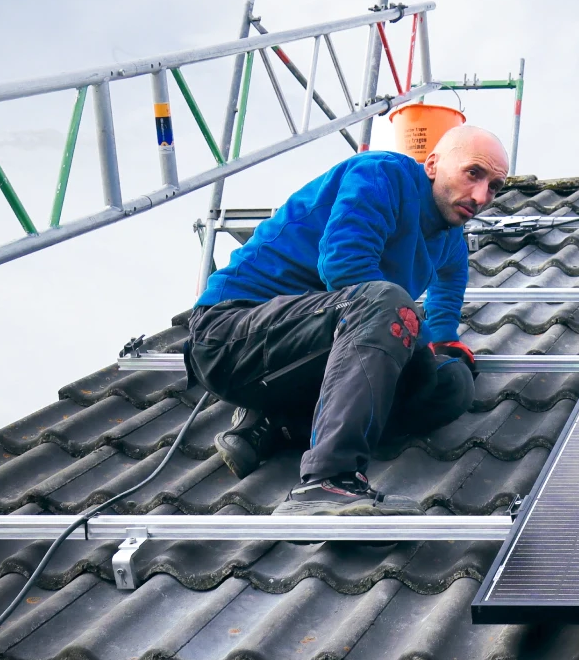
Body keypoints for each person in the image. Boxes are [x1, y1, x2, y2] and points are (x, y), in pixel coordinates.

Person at [184, 125, 509, 516]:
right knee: (389, 304)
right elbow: (345, 266)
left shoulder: (451, 240)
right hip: (232, 335)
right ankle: (326, 482)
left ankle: (278, 423)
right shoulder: (381, 175)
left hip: (314, 354)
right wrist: (413, 339)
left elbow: (445, 302)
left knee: (449, 384)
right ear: (433, 164)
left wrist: (442, 347)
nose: (481, 196)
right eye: (474, 173)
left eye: (494, 186)